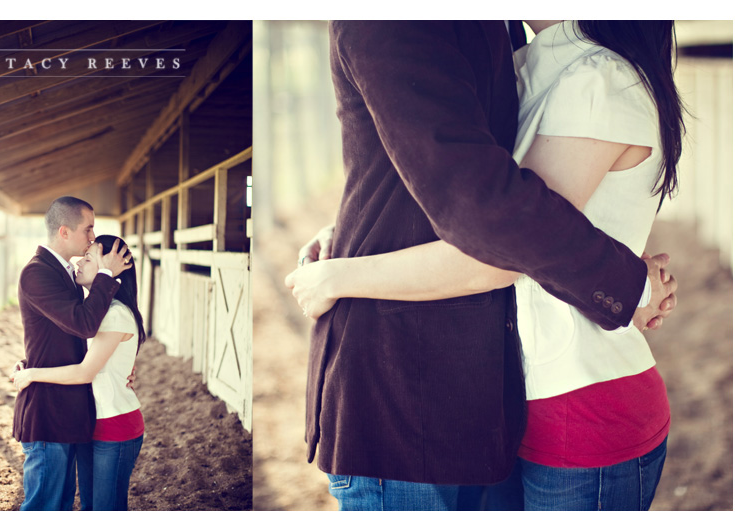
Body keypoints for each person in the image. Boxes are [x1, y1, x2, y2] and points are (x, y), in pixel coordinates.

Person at [286, 21, 683, 511]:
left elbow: (497, 224)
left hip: (546, 398)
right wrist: (347, 237)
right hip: (421, 393)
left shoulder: (581, 71)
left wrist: (337, 276)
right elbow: (438, 189)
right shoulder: (518, 50)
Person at [12, 197, 132, 511]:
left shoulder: (66, 275)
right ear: (64, 232)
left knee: (62, 505)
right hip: (48, 411)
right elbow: (83, 325)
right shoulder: (37, 273)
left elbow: (62, 338)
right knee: (45, 508)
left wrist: (117, 367)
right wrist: (107, 275)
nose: (93, 237)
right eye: (88, 229)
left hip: (67, 412)